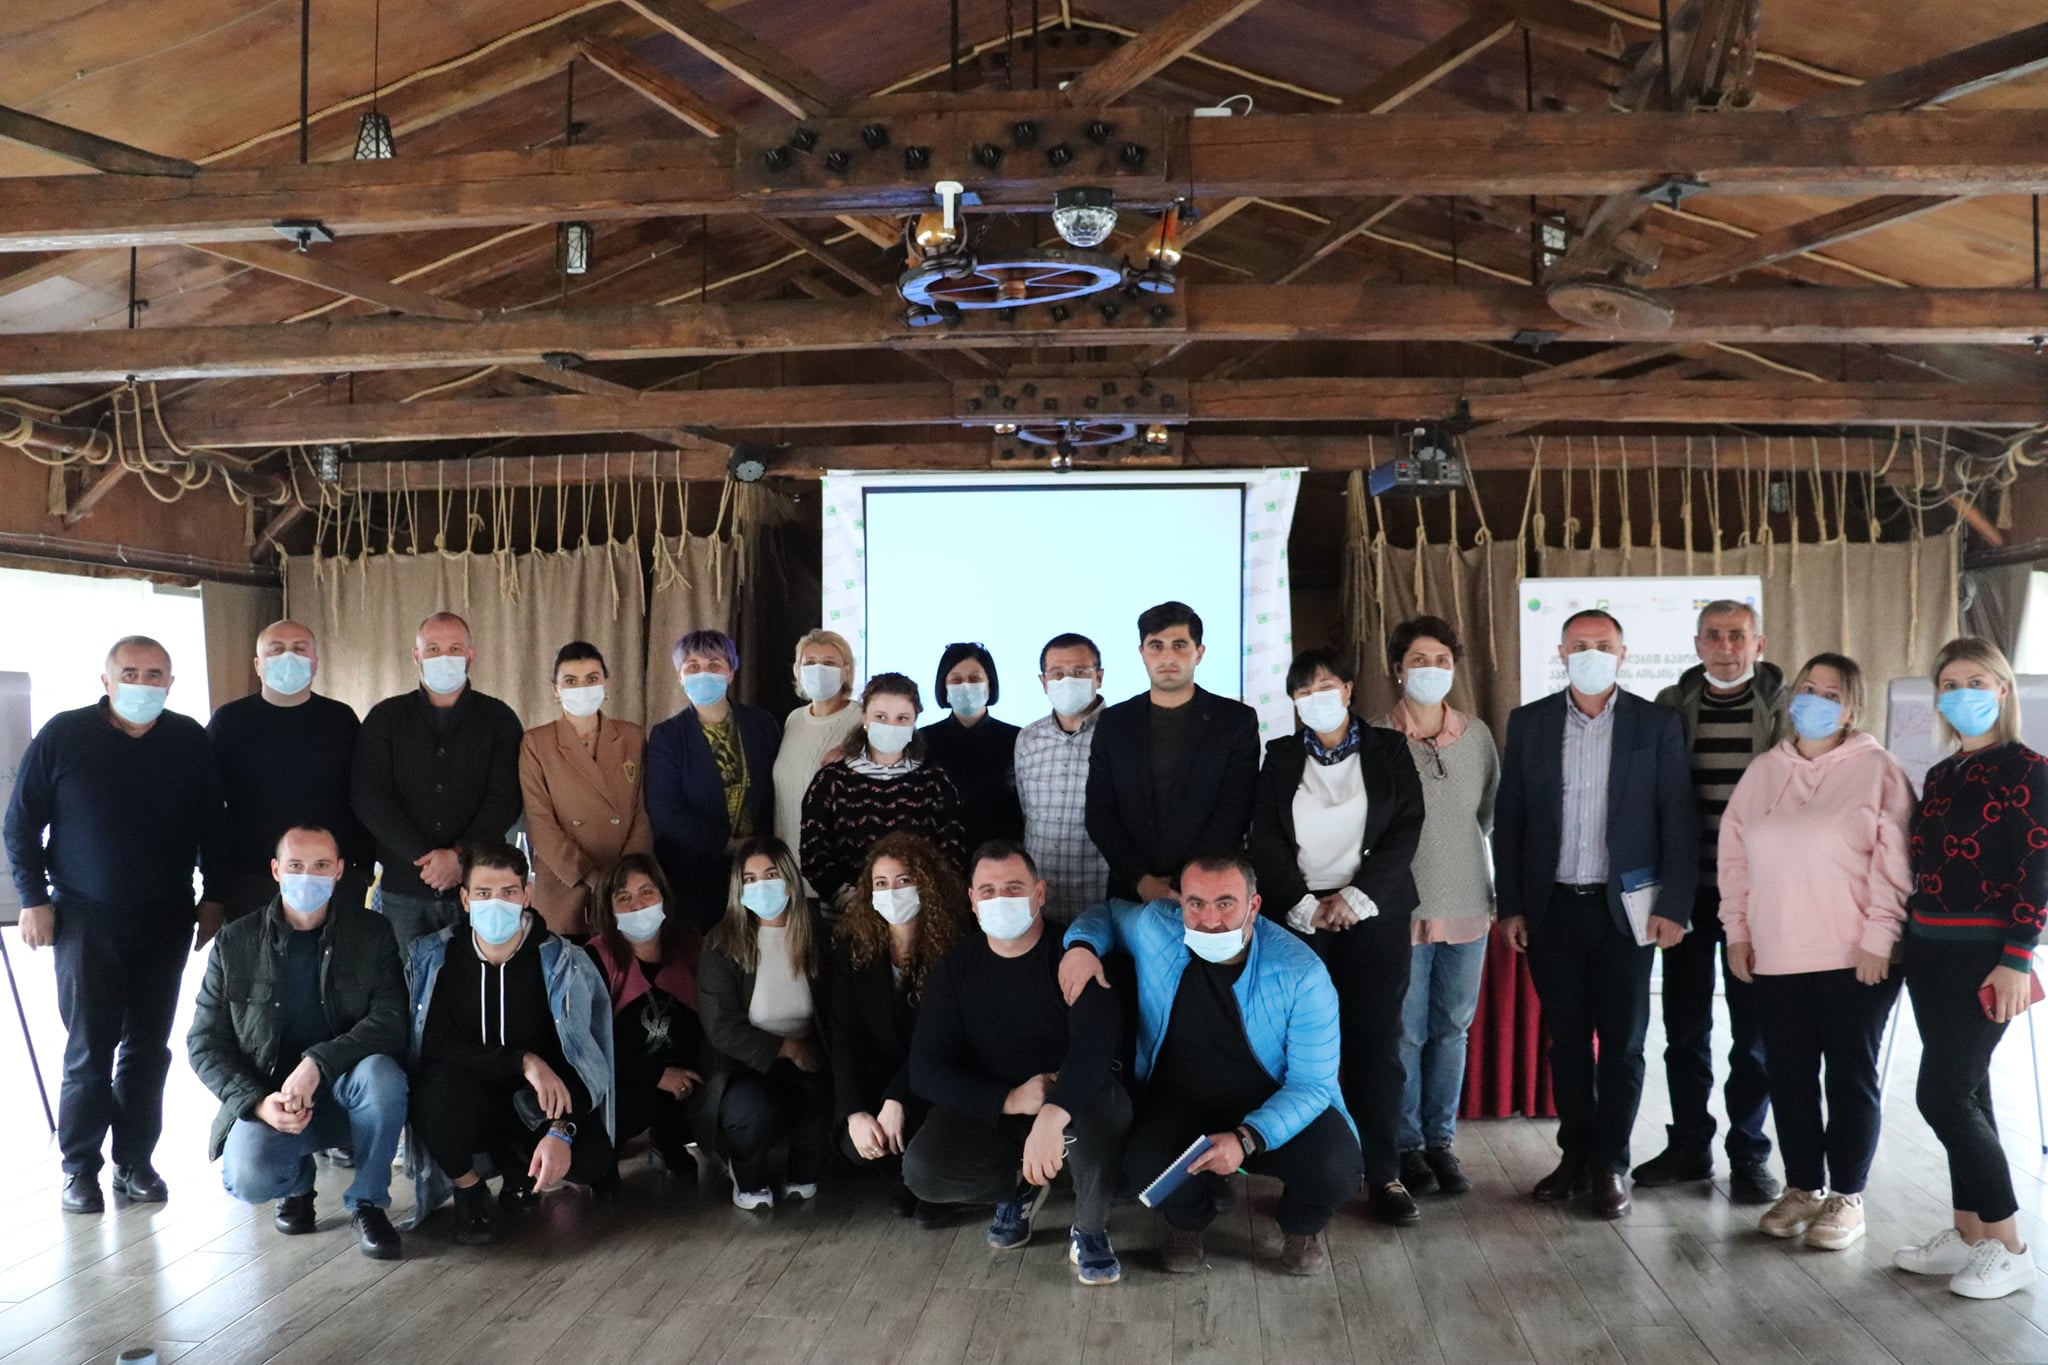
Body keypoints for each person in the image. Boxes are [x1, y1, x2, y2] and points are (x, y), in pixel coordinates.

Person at [1059, 853, 1361, 1276]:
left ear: (1253, 906)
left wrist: (1246, 1139)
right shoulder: (1157, 927)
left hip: (1272, 1103)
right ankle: (1188, 1221)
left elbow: (1312, 1085)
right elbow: (1107, 914)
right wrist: (1081, 947)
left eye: (1225, 903)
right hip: (1182, 1103)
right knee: (1142, 1165)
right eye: (1196, 904)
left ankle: (1301, 1225)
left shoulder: (1303, 973)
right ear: (1180, 903)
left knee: (1337, 1166)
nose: (1210, 920)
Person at [3, 635, 224, 1214]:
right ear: (106, 680)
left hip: (167, 916)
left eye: (155, 675)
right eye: (130, 673)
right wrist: (33, 899)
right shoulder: (64, 734)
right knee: (89, 1049)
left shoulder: (188, 739)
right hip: (84, 917)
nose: (142, 684)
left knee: (148, 1049)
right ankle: (79, 1169)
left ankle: (135, 1162)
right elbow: (20, 825)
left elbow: (213, 826)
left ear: (170, 684)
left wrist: (214, 897)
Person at [1494, 609, 1695, 1220]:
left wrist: (1674, 907)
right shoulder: (1529, 723)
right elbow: (1510, 821)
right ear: (1561, 653)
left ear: (1623, 654)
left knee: (1625, 1046)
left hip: (1627, 912)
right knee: (1568, 1045)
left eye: (1603, 645)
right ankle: (1575, 1157)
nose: (1591, 654)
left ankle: (1611, 1164)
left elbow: (1677, 820)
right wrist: (1513, 906)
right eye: (1579, 645)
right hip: (1552, 908)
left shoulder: (1655, 724)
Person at [1717, 654, 1911, 1252]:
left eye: (1831, 693)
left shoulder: (1878, 770)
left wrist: (1880, 937)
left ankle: (1847, 1196)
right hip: (1776, 951)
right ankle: (1802, 1187)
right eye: (1808, 688)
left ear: (1850, 709)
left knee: (1851, 1077)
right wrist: (1737, 931)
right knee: (1789, 1075)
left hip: (1855, 955)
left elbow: (1895, 864)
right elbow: (1734, 858)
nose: (1815, 701)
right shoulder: (1763, 772)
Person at [1892, 638, 2046, 1300]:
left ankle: (2009, 1246)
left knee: (1943, 1095)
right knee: (1971, 1092)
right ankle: (1968, 1230)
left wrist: (2017, 957)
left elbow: (2037, 871)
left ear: (2003, 689)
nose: (1962, 694)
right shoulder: (1941, 774)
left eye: (1976, 681)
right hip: (1928, 951)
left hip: (1987, 958)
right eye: (1949, 684)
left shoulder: (2029, 770)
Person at [1250, 646, 1425, 1226]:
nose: (1315, 699)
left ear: (1348, 689)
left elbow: (1407, 825)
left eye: (1325, 687)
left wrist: (1356, 897)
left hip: (1374, 913)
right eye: (1303, 692)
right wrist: (1303, 904)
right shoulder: (1279, 756)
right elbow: (1266, 836)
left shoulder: (1390, 749)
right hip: (1299, 919)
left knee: (1376, 1046)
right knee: (1297, 1049)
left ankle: (1384, 1173)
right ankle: (1304, 1171)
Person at [904, 841, 1131, 1286]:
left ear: (1039, 893)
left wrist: (1053, 1112)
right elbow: (926, 1070)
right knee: (923, 1169)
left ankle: (1089, 1228)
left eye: (1013, 888)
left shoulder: (1074, 957)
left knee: (1104, 1106)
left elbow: (1097, 1046)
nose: (1000, 899)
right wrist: (1008, 1099)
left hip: (1073, 1097)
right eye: (988, 891)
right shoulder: (954, 969)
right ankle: (1020, 1188)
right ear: (972, 901)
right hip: (1001, 1103)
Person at [187, 826, 408, 1259]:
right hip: (274, 1097)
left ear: (339, 870)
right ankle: (298, 1186)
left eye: (321, 865)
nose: (309, 876)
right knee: (247, 1176)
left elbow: (392, 1020)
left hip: (348, 1089)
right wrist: (255, 1103)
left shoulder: (372, 931)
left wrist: (317, 1063)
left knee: (383, 1077)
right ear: (276, 870)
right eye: (296, 866)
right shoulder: (235, 941)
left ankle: (369, 1203)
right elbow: (204, 1043)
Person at [1637, 600, 1783, 1204]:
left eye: (1737, 636)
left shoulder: (1785, 709)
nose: (1726, 647)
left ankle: (1749, 1153)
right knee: (1685, 1029)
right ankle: (1690, 1145)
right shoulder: (1671, 706)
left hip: (1760, 898)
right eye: (1714, 636)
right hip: (1688, 892)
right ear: (1697, 645)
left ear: (1759, 644)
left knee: (1754, 1036)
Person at [406, 841, 617, 1245]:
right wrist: (522, 1061)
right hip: (470, 1097)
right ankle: (469, 1189)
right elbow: (436, 1046)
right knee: (430, 1095)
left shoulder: (563, 962)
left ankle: (517, 1167)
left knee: (593, 1160)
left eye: (507, 892)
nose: (496, 904)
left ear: (527, 895)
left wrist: (561, 1130)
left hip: (535, 1105)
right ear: (465, 899)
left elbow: (583, 1058)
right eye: (483, 893)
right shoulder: (438, 958)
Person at [1370, 616, 1499, 1201]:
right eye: (1418, 659)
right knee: (1405, 1032)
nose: (1430, 669)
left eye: (1441, 659)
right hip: (1399, 908)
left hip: (1467, 903)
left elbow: (1487, 814)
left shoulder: (1476, 736)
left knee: (1452, 1029)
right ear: (1397, 669)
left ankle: (1440, 1141)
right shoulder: (1375, 737)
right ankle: (1406, 1145)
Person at [352, 612, 525, 951]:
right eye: (433, 649)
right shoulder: (385, 718)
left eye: (454, 649)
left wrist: (460, 856)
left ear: (471, 655)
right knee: (404, 979)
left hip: (478, 888)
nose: (444, 658)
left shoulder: (499, 719)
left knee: (472, 979)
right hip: (403, 887)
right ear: (416, 655)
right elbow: (369, 796)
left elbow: (506, 798)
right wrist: (424, 856)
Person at [830, 831, 971, 1222]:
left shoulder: (956, 947)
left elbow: (944, 1039)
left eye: (903, 880)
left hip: (941, 1078)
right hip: (881, 1079)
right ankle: (909, 1174)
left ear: (925, 884)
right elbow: (844, 1038)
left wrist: (898, 1098)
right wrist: (855, 1112)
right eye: (880, 883)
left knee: (922, 1132)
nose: (891, 892)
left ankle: (932, 1180)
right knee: (854, 1144)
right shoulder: (854, 950)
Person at [1086, 602, 1260, 904]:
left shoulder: (1234, 721)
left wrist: (1185, 881)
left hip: (1208, 892)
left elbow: (1235, 810)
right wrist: (1141, 880)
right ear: (1142, 652)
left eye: (1179, 645)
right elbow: (1099, 812)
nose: (1167, 656)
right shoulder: (1114, 722)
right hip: (1131, 891)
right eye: (1156, 646)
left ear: (1199, 653)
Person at [698, 837, 833, 1210]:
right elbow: (721, 1026)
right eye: (751, 879)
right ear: (739, 888)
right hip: (744, 1065)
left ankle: (804, 1171)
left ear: (789, 880)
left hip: (810, 1059)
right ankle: (747, 1176)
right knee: (752, 1111)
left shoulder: (819, 936)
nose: (762, 886)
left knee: (821, 1100)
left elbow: (836, 1010)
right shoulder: (721, 943)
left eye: (771, 875)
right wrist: (788, 1048)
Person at [206, 620, 372, 923]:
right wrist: (214, 887)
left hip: (331, 877)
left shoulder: (340, 719)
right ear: (258, 665)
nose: (288, 657)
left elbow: (363, 794)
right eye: (276, 650)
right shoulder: (229, 722)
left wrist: (363, 868)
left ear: (315, 662)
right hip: (250, 878)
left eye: (299, 649)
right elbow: (208, 806)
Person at [584, 853, 715, 1180]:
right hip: (622, 1083)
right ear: (609, 908)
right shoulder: (594, 958)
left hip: (687, 1076)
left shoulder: (691, 947)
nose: (637, 905)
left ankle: (670, 1141)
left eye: (646, 892)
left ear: (663, 897)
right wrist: (656, 1075)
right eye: (623, 898)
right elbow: (589, 1045)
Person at [646, 629, 782, 932]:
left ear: (731, 672)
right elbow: (664, 810)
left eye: (714, 665)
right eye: (693, 666)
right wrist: (728, 844)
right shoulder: (667, 736)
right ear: (680, 677)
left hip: (759, 868)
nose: (703, 673)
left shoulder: (762, 724)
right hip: (694, 872)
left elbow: (777, 791)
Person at [518, 641, 653, 936]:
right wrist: (591, 877)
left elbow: (643, 811)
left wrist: (624, 876)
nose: (582, 688)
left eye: (591, 678)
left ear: (606, 684)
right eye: (570, 681)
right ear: (555, 690)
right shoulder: (537, 743)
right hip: (564, 884)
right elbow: (540, 823)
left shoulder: (631, 736)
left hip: (626, 887)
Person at [800, 674, 967, 907]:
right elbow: (813, 853)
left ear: (915, 721)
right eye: (881, 717)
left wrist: (919, 901)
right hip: (846, 917)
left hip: (921, 915)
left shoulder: (935, 781)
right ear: (864, 717)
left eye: (902, 718)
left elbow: (953, 851)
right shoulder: (830, 781)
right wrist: (852, 903)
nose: (891, 726)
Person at [1016, 632, 1112, 924]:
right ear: (1043, 681)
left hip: (1102, 903)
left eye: (1079, 672)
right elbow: (1027, 812)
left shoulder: (1120, 734)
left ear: (1098, 677)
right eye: (1057, 673)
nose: (1067, 680)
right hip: (1039, 904)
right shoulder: (1028, 738)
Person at [771, 629, 864, 898]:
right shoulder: (793, 720)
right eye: (810, 662)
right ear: (797, 670)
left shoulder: (862, 720)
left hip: (834, 878)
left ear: (846, 672)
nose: (818, 669)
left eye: (829, 663)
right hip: (787, 874)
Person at [920, 642, 1024, 852]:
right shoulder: (923, 740)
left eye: (975, 679)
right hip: (939, 857)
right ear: (943, 686)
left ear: (990, 685)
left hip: (1000, 859)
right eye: (956, 680)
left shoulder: (1017, 739)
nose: (965, 686)